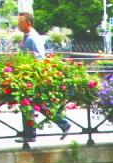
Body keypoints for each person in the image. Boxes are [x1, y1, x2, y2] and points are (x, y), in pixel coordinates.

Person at [15, 11, 71, 143]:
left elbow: (40, 57)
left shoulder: (32, 38)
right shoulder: (28, 36)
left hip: (32, 77)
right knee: (33, 104)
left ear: (28, 23)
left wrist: (30, 70)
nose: (18, 25)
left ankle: (31, 134)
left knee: (28, 104)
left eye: (20, 22)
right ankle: (60, 124)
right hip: (30, 76)